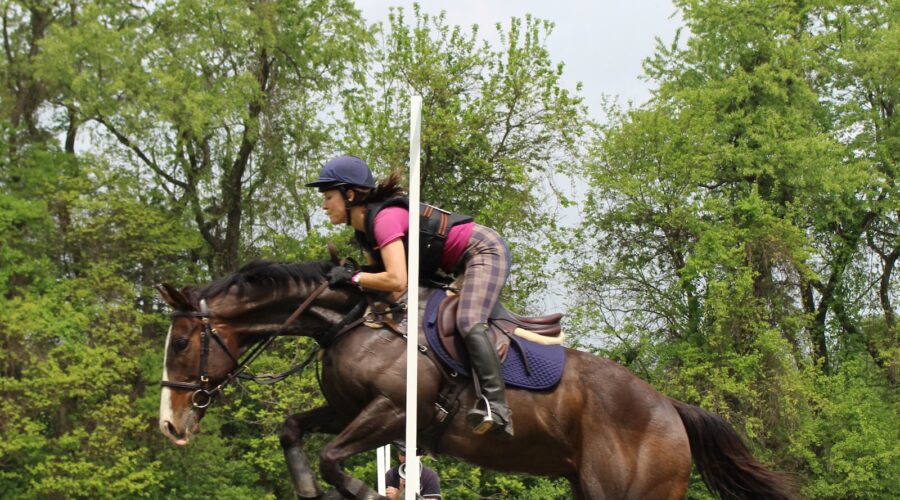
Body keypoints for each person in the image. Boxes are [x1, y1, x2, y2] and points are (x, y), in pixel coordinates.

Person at [306, 154, 514, 437]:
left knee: (467, 320)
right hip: (454, 264)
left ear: (350, 194)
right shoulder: (364, 232)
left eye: (329, 196)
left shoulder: (384, 221)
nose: (323, 205)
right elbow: (388, 288)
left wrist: (354, 277)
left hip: (482, 251)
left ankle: (497, 406)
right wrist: (354, 277)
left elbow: (396, 280)